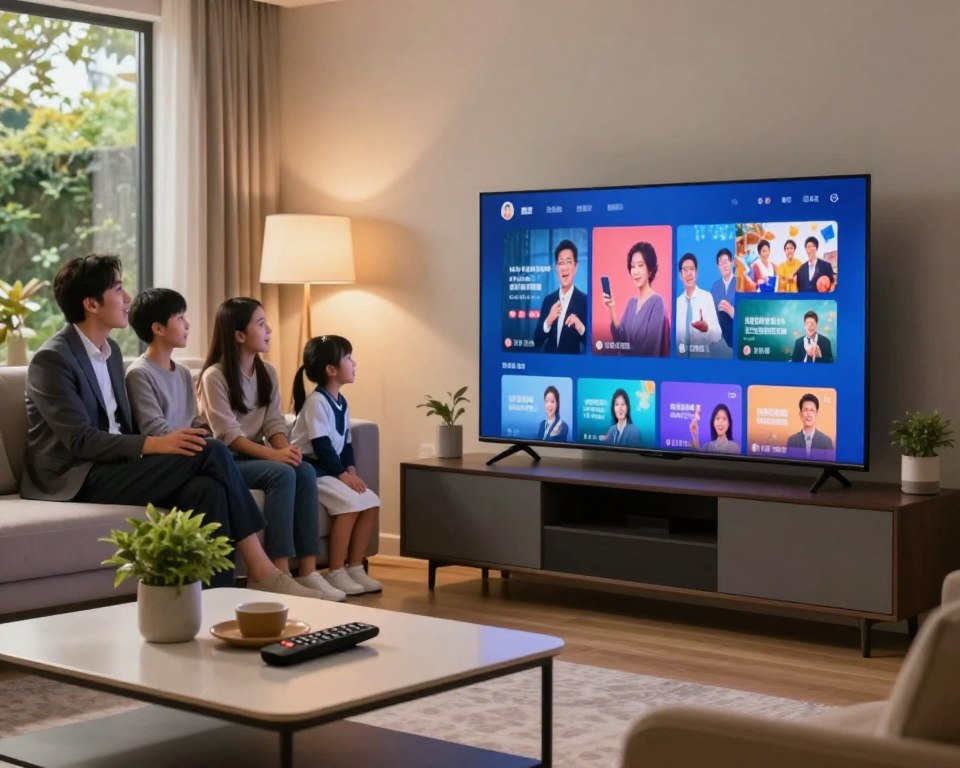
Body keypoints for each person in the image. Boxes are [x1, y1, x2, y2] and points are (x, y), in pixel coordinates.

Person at [22, 256, 297, 594]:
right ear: (91, 304)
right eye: (119, 290)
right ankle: (261, 567)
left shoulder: (109, 353)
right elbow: (80, 440)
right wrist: (155, 445)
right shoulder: (53, 359)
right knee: (208, 450)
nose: (127, 299)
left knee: (207, 490)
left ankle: (220, 597)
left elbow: (119, 425)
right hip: (75, 476)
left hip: (115, 465)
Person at [197, 297, 343, 601]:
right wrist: (276, 457)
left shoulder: (268, 373)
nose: (269, 330)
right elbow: (229, 437)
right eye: (261, 324)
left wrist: (286, 450)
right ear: (239, 335)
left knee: (301, 469)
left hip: (255, 454)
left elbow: (275, 424)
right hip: (226, 461)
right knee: (281, 474)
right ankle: (278, 573)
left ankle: (308, 571)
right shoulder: (215, 376)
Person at [290, 335, 382, 596]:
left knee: (371, 502)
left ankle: (355, 567)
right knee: (349, 505)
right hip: (312, 469)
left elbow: (346, 444)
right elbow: (322, 446)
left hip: (331, 468)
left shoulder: (341, 402)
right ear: (331, 370)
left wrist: (351, 469)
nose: (354, 363)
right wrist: (341, 475)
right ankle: (336, 571)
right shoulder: (317, 402)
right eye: (348, 358)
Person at [602, 241, 670, 357]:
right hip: (627, 370)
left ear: (650, 270)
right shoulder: (631, 303)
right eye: (633, 266)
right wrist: (612, 310)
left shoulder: (657, 302)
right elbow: (620, 341)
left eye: (640, 265)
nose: (635, 271)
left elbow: (649, 349)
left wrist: (624, 354)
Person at [533, 240, 588, 353]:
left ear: (575, 266)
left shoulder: (584, 300)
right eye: (561, 263)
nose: (564, 267)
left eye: (568, 262)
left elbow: (591, 344)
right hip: (549, 366)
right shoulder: (548, 300)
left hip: (571, 367)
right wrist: (548, 320)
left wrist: (580, 326)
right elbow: (537, 342)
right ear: (556, 268)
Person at [675, 253, 723, 358]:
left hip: (701, 363)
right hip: (679, 364)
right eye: (685, 270)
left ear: (696, 273)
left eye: (691, 269)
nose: (689, 273)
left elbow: (717, 335)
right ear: (680, 275)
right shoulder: (676, 304)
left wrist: (706, 328)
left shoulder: (707, 298)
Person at [786, 393, 835, 460]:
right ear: (800, 414)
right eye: (805, 410)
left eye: (812, 410)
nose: (809, 414)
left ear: (817, 414)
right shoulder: (792, 441)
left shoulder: (826, 441)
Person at [710, 247, 736, 350]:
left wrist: (732, 311)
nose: (724, 265)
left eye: (726, 261)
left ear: (732, 263)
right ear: (718, 267)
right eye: (721, 262)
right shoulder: (715, 286)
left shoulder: (741, 283)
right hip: (720, 339)